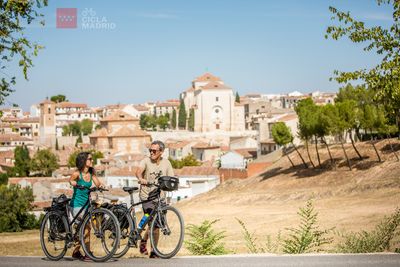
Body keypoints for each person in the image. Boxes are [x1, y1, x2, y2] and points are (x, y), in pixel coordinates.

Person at [136, 140, 174, 258]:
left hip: (160, 197)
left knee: (156, 225)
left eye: (154, 150)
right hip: (147, 196)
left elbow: (171, 177)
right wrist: (141, 178)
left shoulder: (166, 163)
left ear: (161, 152)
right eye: (150, 150)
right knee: (150, 220)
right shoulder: (145, 161)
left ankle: (152, 249)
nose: (151, 152)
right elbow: (138, 172)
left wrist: (173, 185)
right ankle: (146, 243)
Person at [69, 152, 104, 261]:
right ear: (83, 161)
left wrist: (101, 186)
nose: (92, 161)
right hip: (77, 205)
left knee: (85, 228)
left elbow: (97, 183)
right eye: (90, 159)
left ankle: (76, 251)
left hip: (86, 204)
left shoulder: (91, 173)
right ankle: (87, 253)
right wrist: (74, 183)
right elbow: (71, 180)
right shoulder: (77, 173)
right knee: (86, 227)